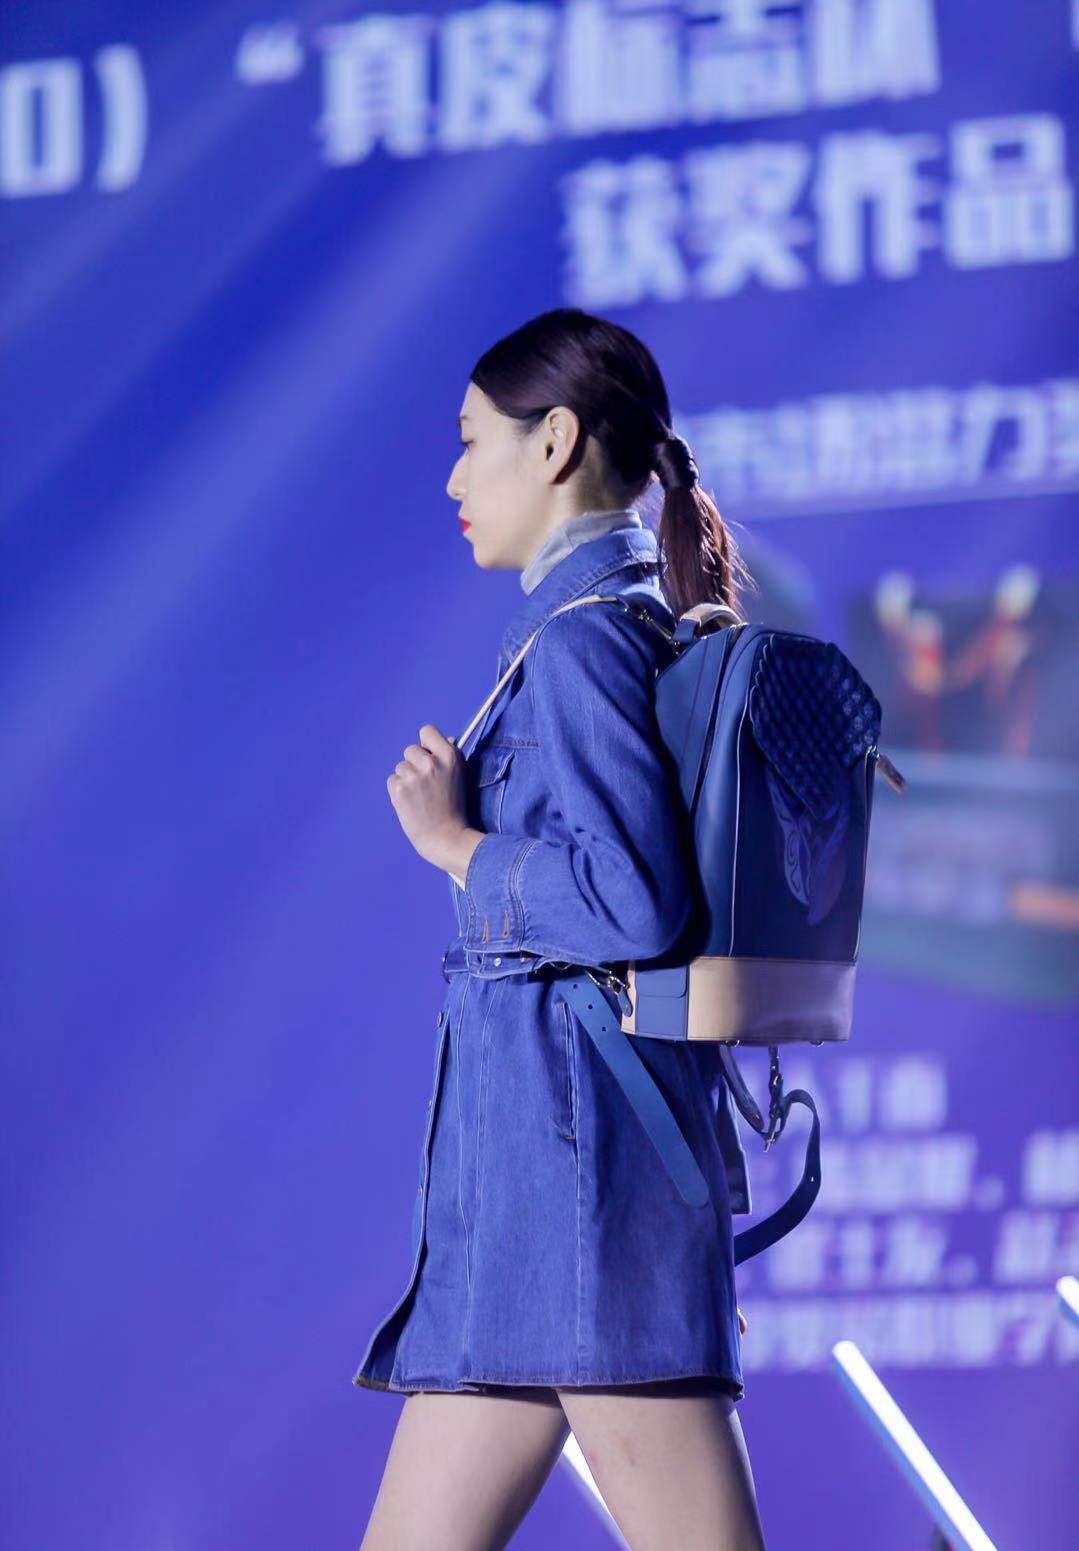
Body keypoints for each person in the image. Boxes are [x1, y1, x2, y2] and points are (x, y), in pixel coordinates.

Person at [355, 307, 767, 1551]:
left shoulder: (586, 639)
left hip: (585, 1196)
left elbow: (632, 899)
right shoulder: (606, 622)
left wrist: (456, 846)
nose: (451, 479)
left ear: (553, 444)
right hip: (534, 1204)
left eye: (469, 440)